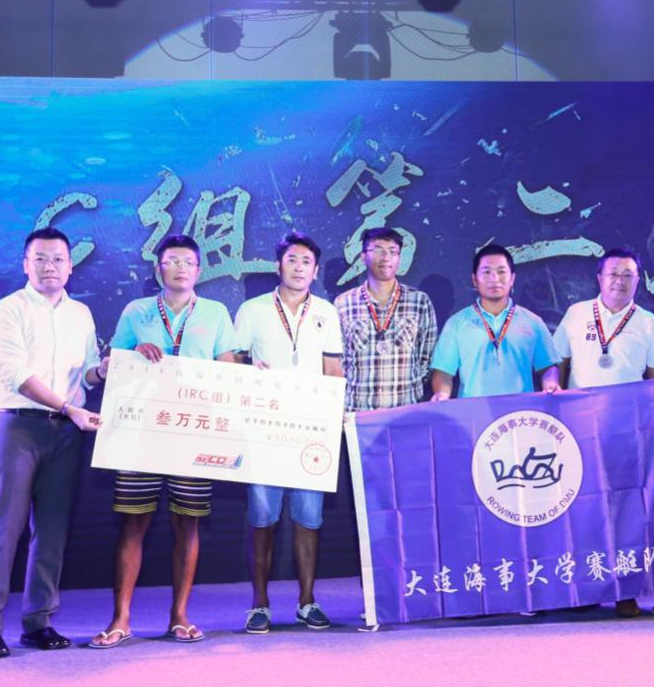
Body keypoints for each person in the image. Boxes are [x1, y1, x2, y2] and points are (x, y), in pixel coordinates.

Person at [89, 235, 238, 649]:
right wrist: (135, 351)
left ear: (199, 271)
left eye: (188, 262)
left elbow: (228, 367)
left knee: (187, 523)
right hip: (141, 432)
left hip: (193, 430)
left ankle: (180, 615)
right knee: (133, 522)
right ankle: (120, 618)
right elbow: (112, 365)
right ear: (158, 270)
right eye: (172, 261)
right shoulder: (136, 312)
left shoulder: (215, 312)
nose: (180, 268)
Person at [0, 227, 105, 659]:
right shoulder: (9, 309)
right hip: (18, 428)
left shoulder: (81, 313)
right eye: (41, 259)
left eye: (59, 259)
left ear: (71, 266)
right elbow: (16, 376)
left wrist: (102, 371)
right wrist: (68, 407)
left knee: (52, 529)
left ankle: (38, 622)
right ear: (26, 264)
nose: (50, 267)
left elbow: (86, 373)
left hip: (66, 432)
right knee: (3, 528)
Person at [233, 232, 345, 634]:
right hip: (263, 428)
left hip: (310, 429)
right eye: (292, 260)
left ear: (316, 271)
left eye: (306, 262)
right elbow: (232, 363)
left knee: (309, 518)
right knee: (262, 517)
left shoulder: (326, 312)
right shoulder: (253, 310)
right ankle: (259, 604)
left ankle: (307, 601)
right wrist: (249, 371)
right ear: (278, 265)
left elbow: (333, 370)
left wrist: (334, 418)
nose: (299, 268)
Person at [552, 247, 654, 618]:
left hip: (626, 431)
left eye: (628, 275)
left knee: (625, 511)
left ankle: (625, 590)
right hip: (579, 428)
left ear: (638, 280)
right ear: (599, 278)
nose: (620, 281)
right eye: (613, 273)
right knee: (582, 508)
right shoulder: (576, 314)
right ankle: (586, 587)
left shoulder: (649, 323)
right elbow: (558, 364)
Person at [431, 244, 561, 401]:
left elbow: (548, 366)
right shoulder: (456, 324)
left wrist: (550, 382)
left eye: (501, 272)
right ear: (474, 279)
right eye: (486, 272)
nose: (494, 279)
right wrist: (442, 393)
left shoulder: (533, 322)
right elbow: (443, 372)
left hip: (521, 411)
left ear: (512, 278)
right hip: (472, 412)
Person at [335, 226, 438, 412]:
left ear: (399, 258)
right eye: (378, 250)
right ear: (363, 257)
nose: (386, 257)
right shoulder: (343, 303)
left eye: (392, 251)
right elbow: (339, 361)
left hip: (405, 412)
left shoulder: (419, 302)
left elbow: (426, 359)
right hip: (357, 412)